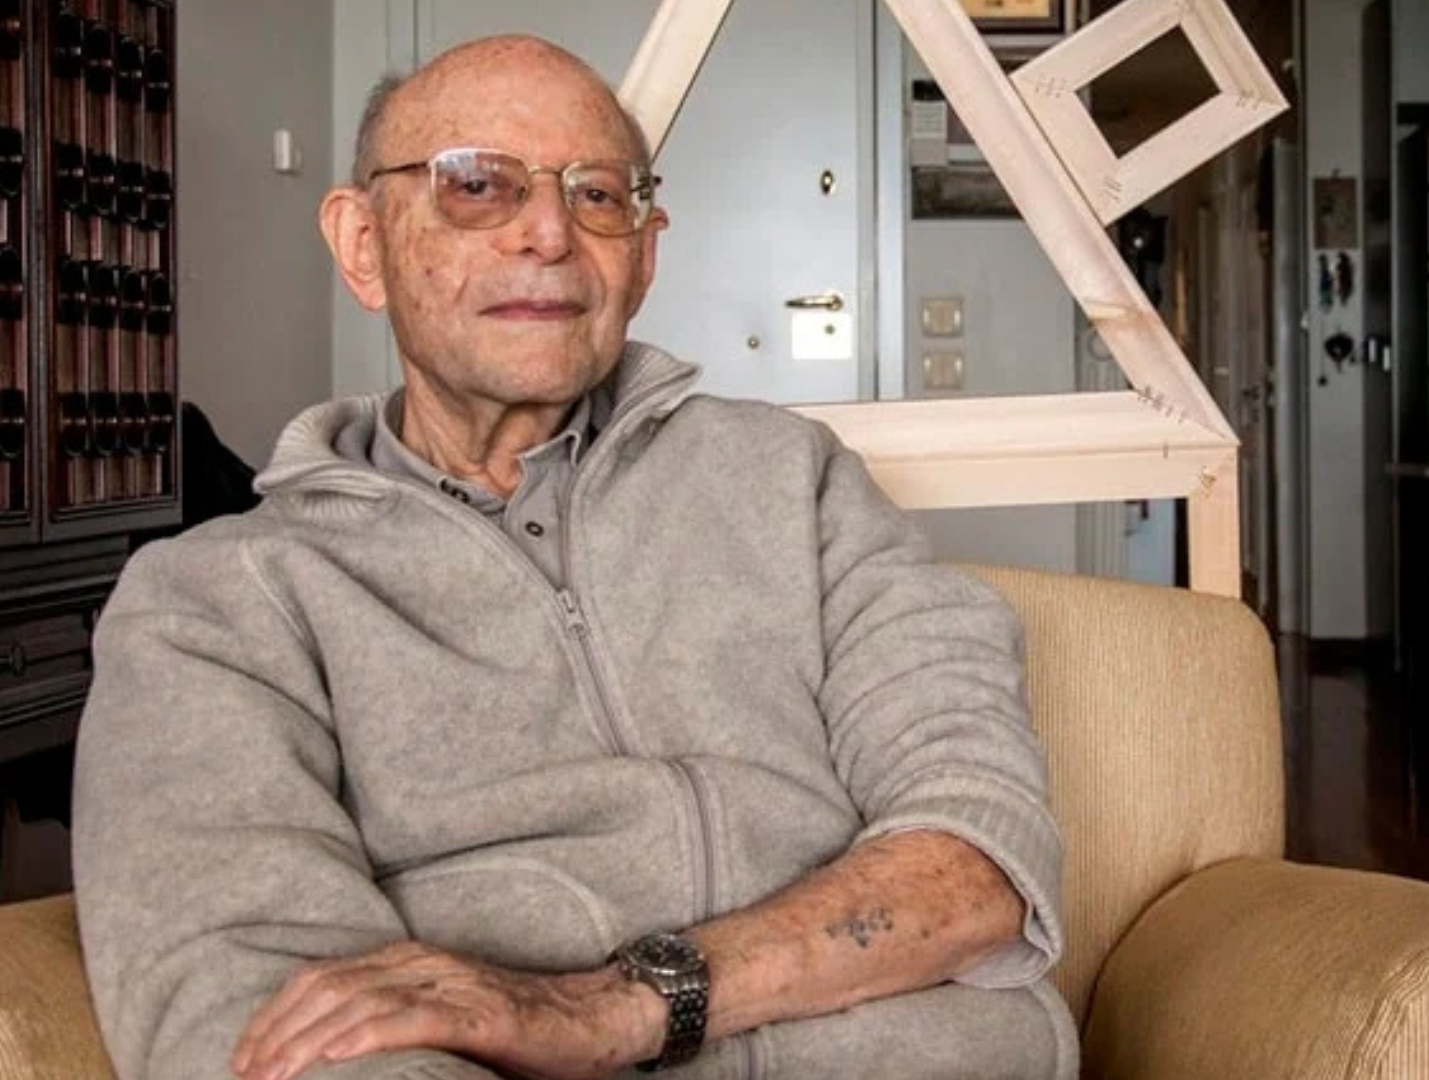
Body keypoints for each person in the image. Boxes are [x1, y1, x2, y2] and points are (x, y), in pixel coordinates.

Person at [72, 35, 1073, 1080]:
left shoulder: (792, 477)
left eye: (598, 195)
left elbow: (979, 854)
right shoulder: (215, 604)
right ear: (363, 244)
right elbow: (269, 1022)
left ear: (644, 254)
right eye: (476, 185)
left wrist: (615, 1008)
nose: (550, 233)